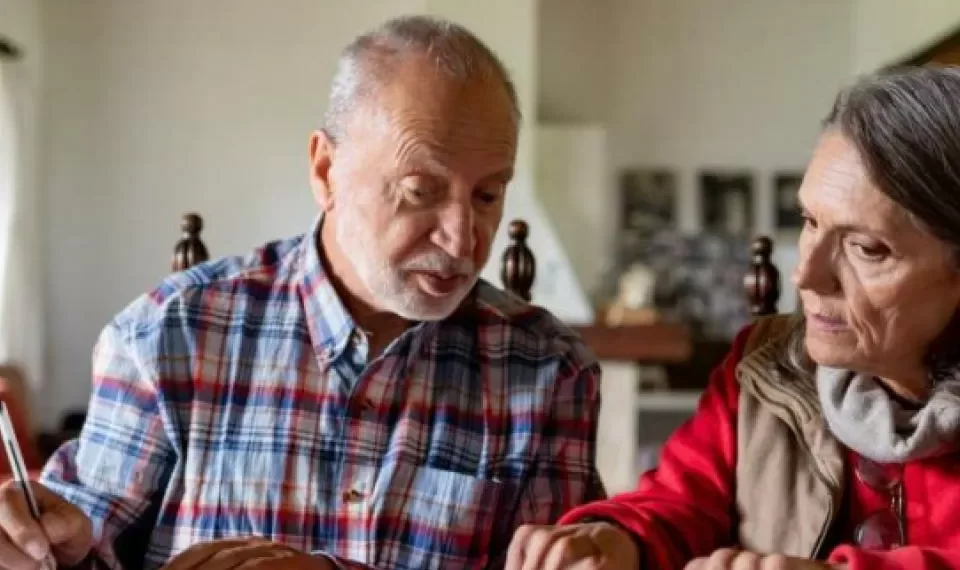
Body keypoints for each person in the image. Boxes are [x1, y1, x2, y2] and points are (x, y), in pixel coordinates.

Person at [0, 15, 603, 570]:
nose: (462, 237)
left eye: (488, 195)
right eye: (421, 190)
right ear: (325, 171)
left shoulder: (549, 372)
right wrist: (38, 546)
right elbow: (83, 536)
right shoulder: (169, 335)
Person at [507, 65, 960, 570]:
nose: (806, 276)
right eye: (810, 222)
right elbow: (678, 502)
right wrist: (614, 540)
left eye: (866, 248)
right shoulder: (765, 368)